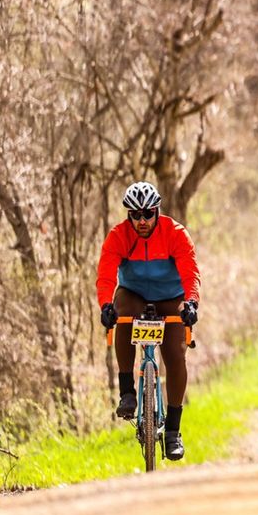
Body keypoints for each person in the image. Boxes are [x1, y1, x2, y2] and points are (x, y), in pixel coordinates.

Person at [96, 181, 200, 461]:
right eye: (135, 215)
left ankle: (173, 432)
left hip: (171, 297)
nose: (142, 221)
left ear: (157, 211)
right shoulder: (118, 236)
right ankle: (128, 391)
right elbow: (106, 276)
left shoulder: (176, 234)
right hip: (134, 295)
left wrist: (191, 303)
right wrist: (105, 305)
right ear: (128, 215)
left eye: (148, 214)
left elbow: (190, 273)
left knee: (176, 354)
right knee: (121, 312)